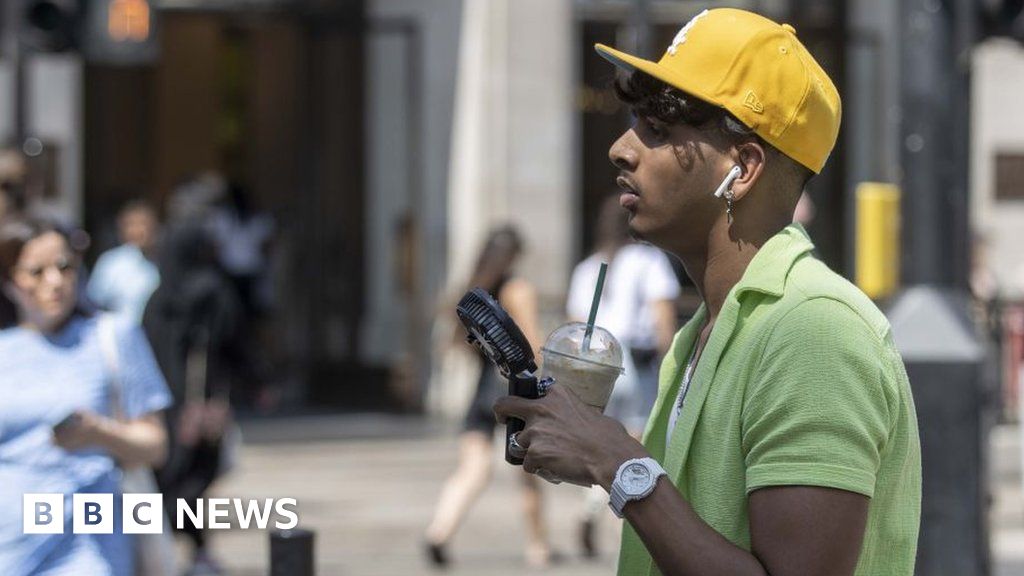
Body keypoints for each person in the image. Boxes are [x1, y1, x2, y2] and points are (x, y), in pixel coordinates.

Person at [494, 8, 921, 576]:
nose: (622, 148)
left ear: (741, 168)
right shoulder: (705, 332)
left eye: (658, 131)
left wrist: (618, 462)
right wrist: (595, 453)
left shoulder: (815, 331)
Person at [0, 216, 172, 575]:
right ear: (10, 281)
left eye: (65, 267)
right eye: (37, 271)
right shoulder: (5, 350)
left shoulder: (111, 337)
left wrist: (99, 433)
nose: (56, 282)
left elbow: (155, 445)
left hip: (88, 542)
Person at [424, 226, 556, 569]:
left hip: (483, 387)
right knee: (527, 469)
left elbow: (457, 345)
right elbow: (532, 345)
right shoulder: (517, 288)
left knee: (472, 468)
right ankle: (537, 546)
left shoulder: (477, 290)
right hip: (514, 388)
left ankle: (440, 531)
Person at [567, 194, 678, 557]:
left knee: (605, 444)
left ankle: (592, 508)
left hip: (596, 365)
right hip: (636, 361)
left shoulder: (587, 268)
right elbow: (663, 322)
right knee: (635, 449)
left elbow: (575, 324)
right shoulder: (648, 261)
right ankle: (623, 525)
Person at [143, 222, 241, 576]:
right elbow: (233, 344)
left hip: (162, 406)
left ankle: (171, 547)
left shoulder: (158, 298)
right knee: (196, 480)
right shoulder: (215, 292)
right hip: (201, 406)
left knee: (168, 478)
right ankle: (194, 550)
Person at [88, 200, 162, 325]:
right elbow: (94, 303)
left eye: (144, 224)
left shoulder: (163, 262)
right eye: (132, 224)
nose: (139, 230)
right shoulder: (111, 263)